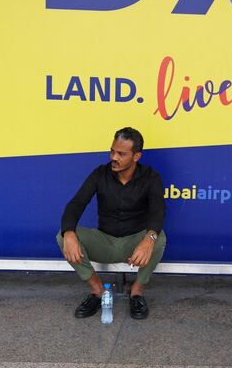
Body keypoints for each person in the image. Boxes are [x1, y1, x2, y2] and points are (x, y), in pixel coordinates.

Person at [57, 127, 166, 320]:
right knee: (63, 235)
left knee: (159, 237)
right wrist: (69, 232)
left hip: (134, 244)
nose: (114, 157)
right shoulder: (100, 174)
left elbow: (158, 211)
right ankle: (98, 292)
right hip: (104, 242)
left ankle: (137, 292)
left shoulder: (151, 177)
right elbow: (77, 203)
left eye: (121, 154)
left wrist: (149, 239)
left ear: (136, 156)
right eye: (112, 151)